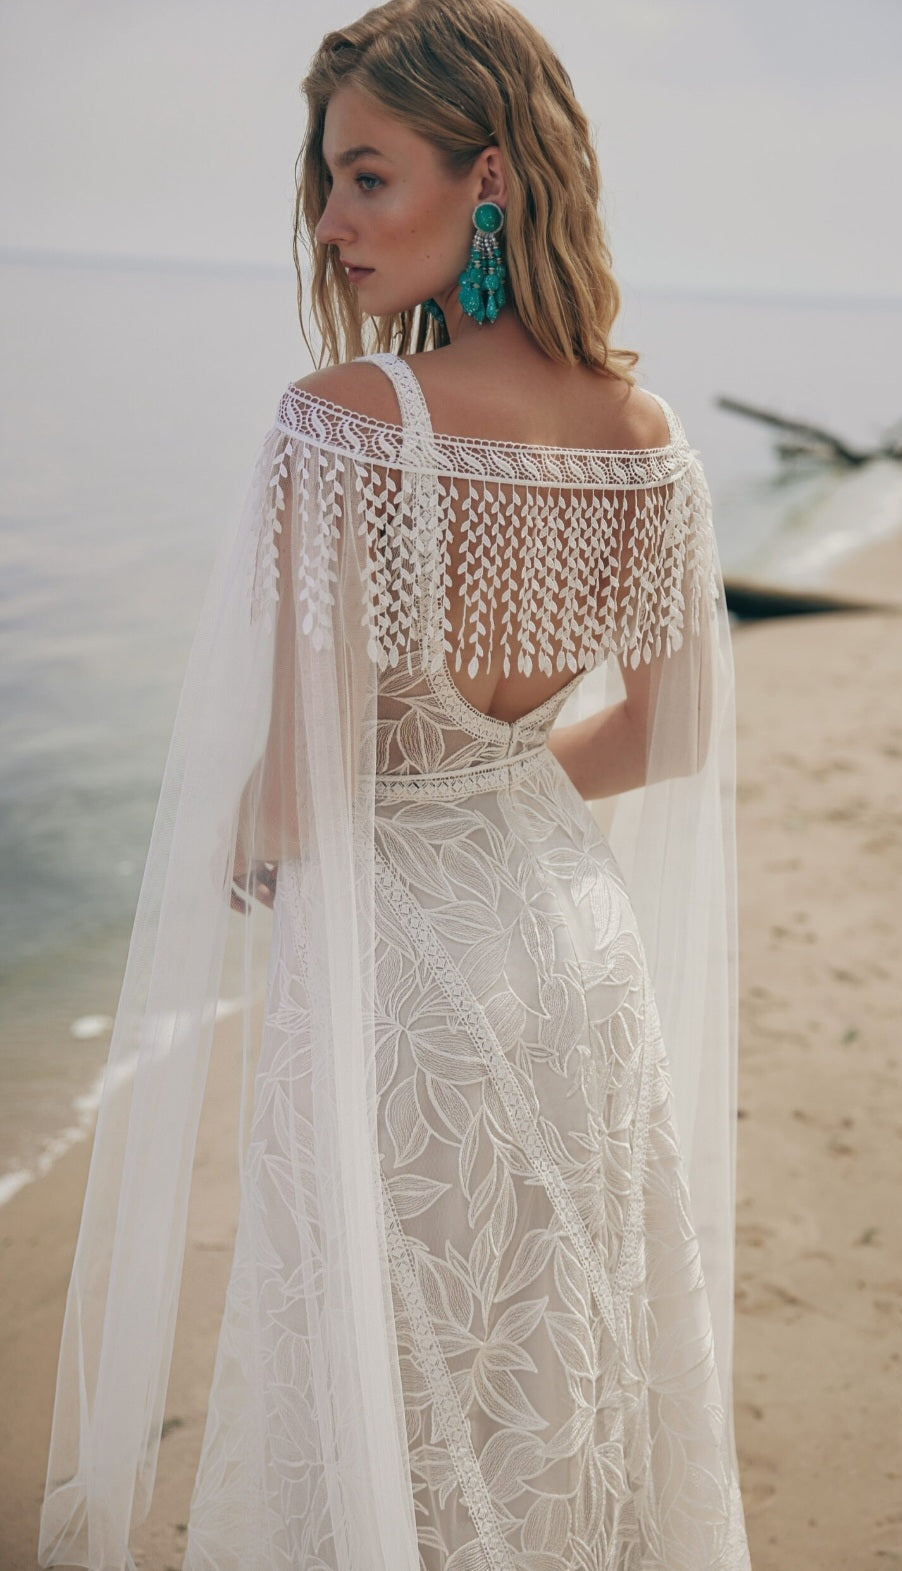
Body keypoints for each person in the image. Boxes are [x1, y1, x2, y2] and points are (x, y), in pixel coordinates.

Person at [39, 2, 750, 1567]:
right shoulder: (651, 442)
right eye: (324, 179)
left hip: (398, 979)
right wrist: (493, 788)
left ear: (484, 177)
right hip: (574, 949)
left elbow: (300, 795)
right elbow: (671, 734)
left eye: (369, 176)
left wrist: (246, 828)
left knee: (383, 1384)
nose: (331, 219)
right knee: (554, 1378)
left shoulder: (343, 430)